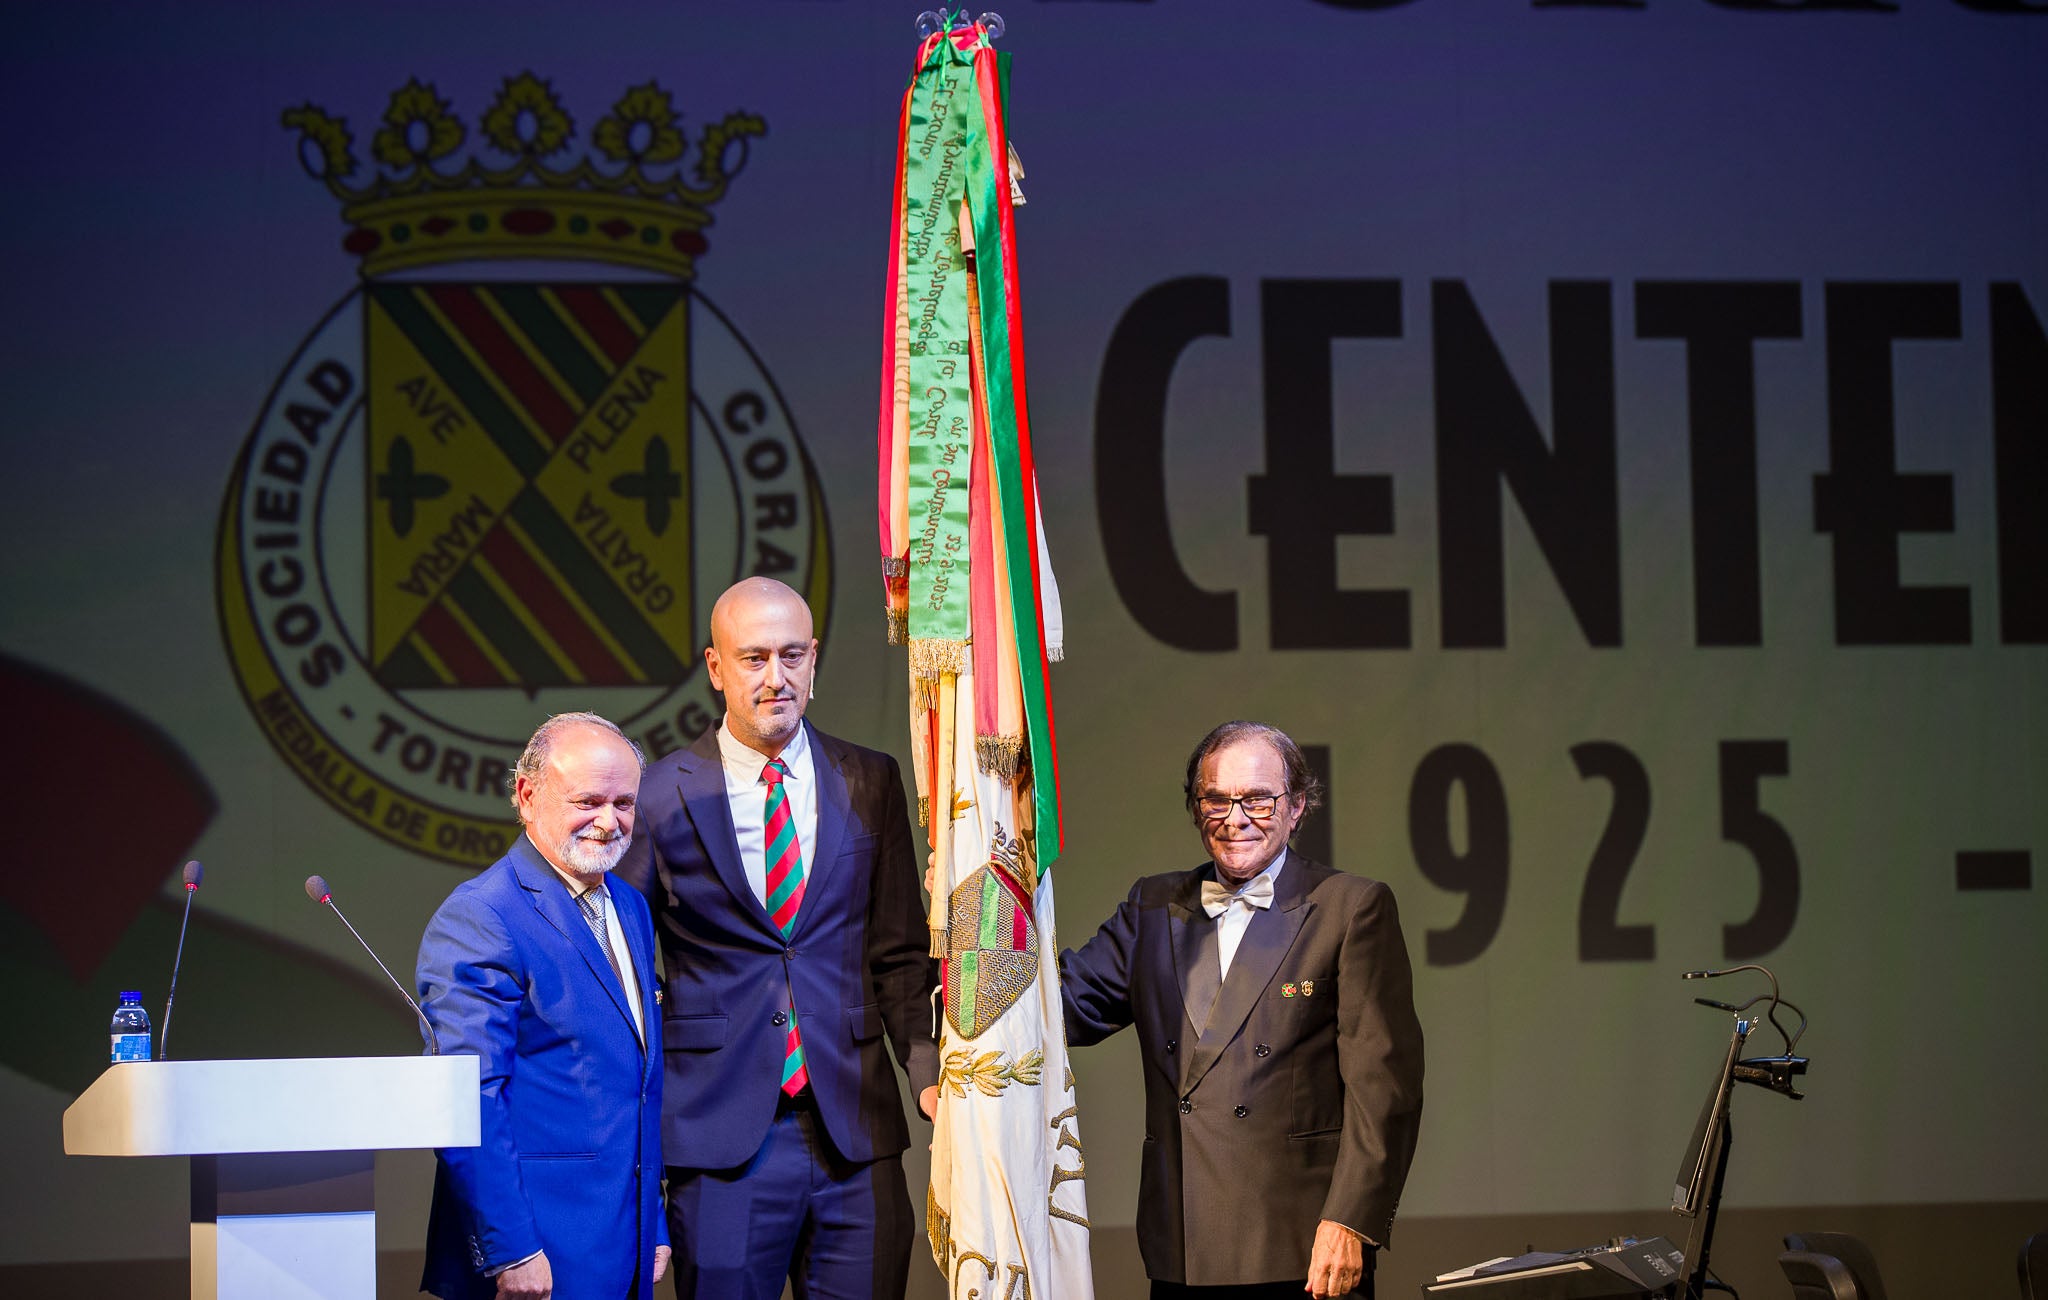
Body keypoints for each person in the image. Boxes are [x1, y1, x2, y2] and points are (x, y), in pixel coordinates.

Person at [618, 577, 939, 1300]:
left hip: (855, 1132)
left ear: (815, 659)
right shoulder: (662, 793)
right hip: (720, 1140)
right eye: (754, 657)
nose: (775, 677)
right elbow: (627, 971)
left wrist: (927, 1074)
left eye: (792, 656)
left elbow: (897, 952)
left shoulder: (870, 780)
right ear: (715, 667)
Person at [1060, 720, 1425, 1300]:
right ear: (1196, 805)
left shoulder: (1349, 908)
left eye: (1257, 798)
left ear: (1297, 805)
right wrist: (979, 915)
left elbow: (1384, 1090)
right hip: (1180, 1247)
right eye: (1216, 799)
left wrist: (1353, 1220)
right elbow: (1059, 1010)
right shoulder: (1153, 906)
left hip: (1302, 1249)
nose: (1235, 818)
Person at [417, 712, 670, 1300]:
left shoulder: (629, 905)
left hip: (622, 1247)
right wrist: (512, 1251)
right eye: (588, 801)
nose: (609, 823)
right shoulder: (482, 915)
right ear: (527, 796)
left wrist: (650, 1221)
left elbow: (633, 1082)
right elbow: (469, 1100)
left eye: (624, 803)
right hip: (535, 1261)